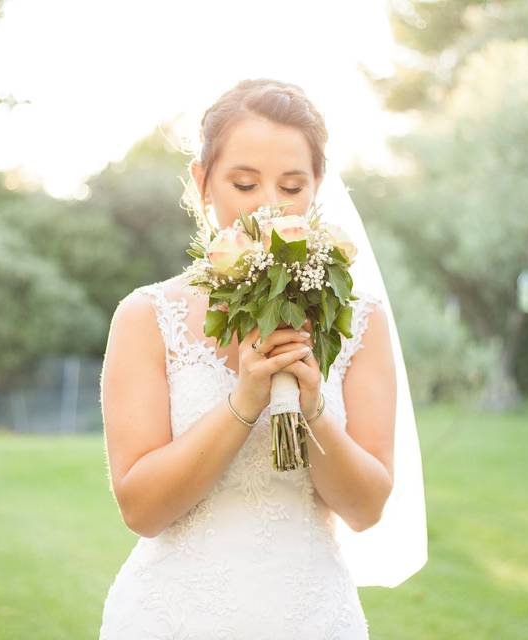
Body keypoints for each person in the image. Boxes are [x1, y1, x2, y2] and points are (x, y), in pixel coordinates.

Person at [98, 78, 423, 639]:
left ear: (317, 189)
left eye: (292, 186)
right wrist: (244, 401)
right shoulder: (145, 318)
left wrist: (314, 406)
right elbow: (141, 510)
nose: (268, 206)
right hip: (172, 618)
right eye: (244, 183)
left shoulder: (361, 321)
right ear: (202, 182)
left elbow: (367, 509)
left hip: (312, 617)